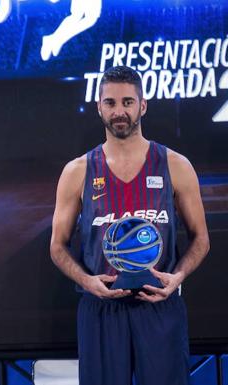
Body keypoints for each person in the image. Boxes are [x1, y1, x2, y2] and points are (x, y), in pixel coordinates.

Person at [50, 65, 209, 385]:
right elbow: (57, 246)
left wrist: (177, 277)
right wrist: (86, 280)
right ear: (99, 108)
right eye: (110, 103)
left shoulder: (175, 166)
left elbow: (201, 239)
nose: (119, 111)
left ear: (143, 105)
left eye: (127, 102)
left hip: (160, 305)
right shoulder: (77, 171)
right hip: (100, 309)